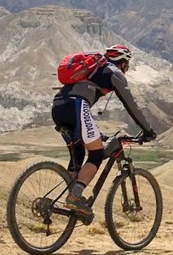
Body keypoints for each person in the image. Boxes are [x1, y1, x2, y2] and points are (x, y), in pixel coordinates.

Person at [51, 44, 157, 220]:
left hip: (58, 107)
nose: (127, 69)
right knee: (97, 154)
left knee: (78, 156)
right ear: (122, 62)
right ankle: (75, 197)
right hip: (76, 106)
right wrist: (147, 130)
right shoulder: (114, 73)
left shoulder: (95, 69)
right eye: (127, 64)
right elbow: (131, 105)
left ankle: (69, 204)